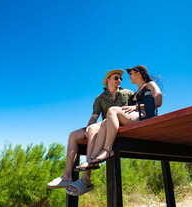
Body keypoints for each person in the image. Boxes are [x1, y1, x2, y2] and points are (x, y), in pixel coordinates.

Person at [67, 65, 162, 196]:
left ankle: (107, 149)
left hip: (144, 116)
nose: (128, 77)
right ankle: (91, 160)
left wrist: (136, 107)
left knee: (112, 110)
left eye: (131, 74)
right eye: (117, 78)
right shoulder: (134, 92)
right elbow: (95, 116)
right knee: (105, 123)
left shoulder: (150, 85)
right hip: (133, 117)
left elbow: (158, 100)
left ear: (139, 74)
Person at [46, 69, 134, 195]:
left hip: (117, 124)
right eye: (116, 78)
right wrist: (88, 128)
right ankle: (66, 176)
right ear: (108, 80)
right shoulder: (100, 98)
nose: (119, 80)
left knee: (93, 129)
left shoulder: (128, 93)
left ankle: (86, 178)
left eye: (121, 78)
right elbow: (94, 116)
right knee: (73, 135)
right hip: (102, 124)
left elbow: (135, 108)